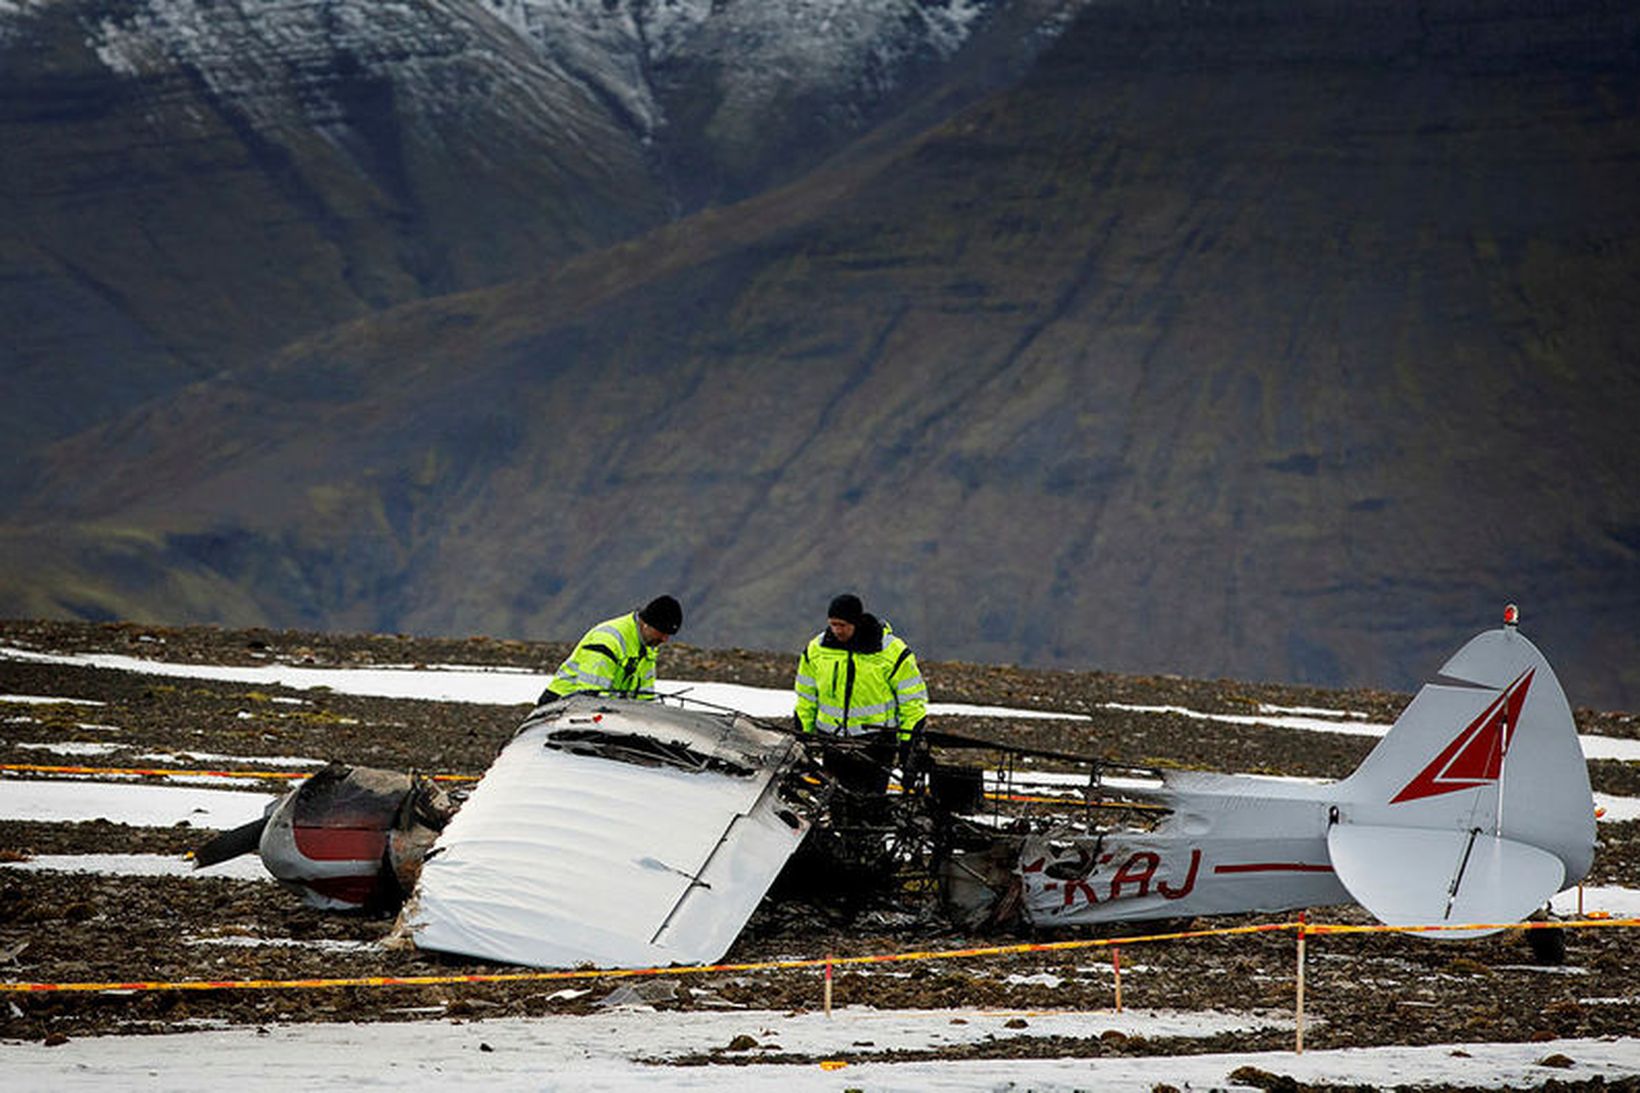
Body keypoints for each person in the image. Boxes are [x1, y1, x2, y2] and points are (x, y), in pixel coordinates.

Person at [793, 593, 928, 792]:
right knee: (836, 805)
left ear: (856, 622)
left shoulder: (891, 652)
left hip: (876, 745)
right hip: (832, 743)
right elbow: (806, 698)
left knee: (871, 809)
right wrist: (802, 737)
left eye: (842, 625)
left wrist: (908, 746)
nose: (837, 630)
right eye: (833, 624)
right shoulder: (816, 650)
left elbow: (912, 702)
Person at [537, 595, 683, 704]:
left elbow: (645, 696)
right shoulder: (608, 640)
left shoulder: (648, 645)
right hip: (561, 706)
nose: (665, 640)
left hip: (604, 710)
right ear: (646, 624)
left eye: (668, 635)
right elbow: (589, 696)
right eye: (662, 632)